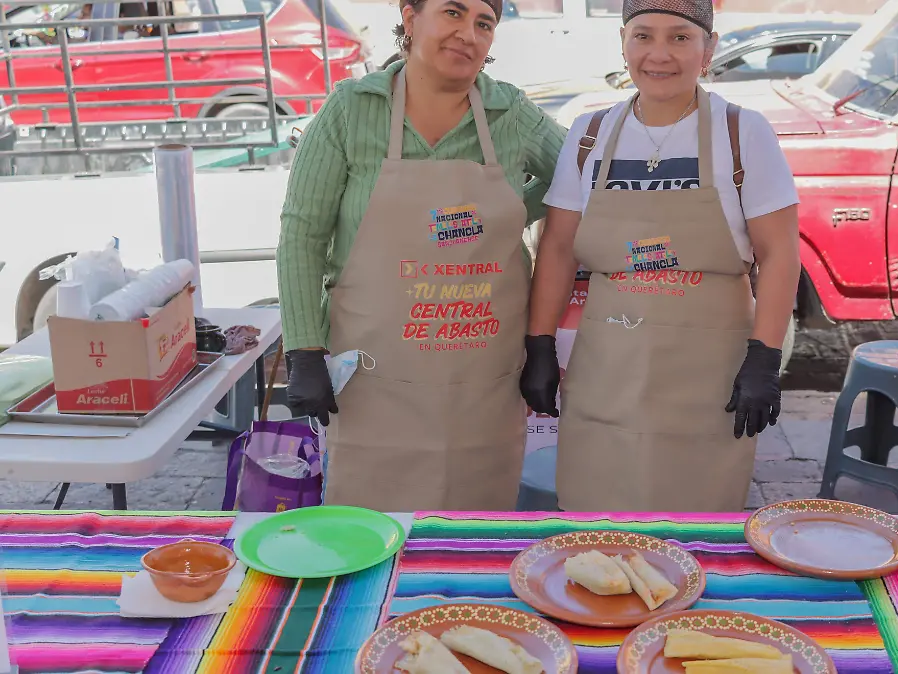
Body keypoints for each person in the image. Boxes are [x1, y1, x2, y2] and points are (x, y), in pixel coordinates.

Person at [277, 0, 565, 511]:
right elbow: (302, 234)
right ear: (410, 19)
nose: (468, 33)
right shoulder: (351, 110)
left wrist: (513, 210)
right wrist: (303, 350)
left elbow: (579, 180)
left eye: (484, 23)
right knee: (369, 530)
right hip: (374, 381)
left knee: (471, 532)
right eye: (453, 13)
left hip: (482, 382)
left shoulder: (511, 113)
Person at [519, 0, 802, 512]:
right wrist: (538, 345)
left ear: (708, 49)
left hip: (711, 372)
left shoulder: (742, 132)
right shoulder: (589, 134)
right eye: (643, 36)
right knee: (599, 517)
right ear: (623, 45)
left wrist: (763, 357)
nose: (659, 54)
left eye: (680, 37)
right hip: (608, 368)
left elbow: (779, 251)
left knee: (696, 522)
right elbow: (558, 247)